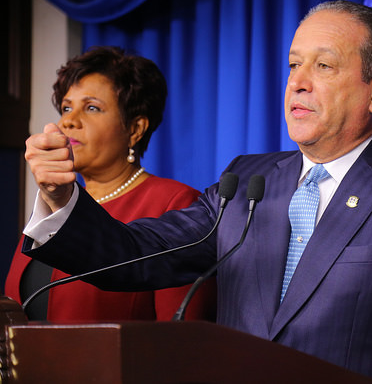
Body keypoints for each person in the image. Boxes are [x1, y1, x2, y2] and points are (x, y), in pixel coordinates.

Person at [20, 1, 372, 382]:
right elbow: (131, 255)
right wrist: (61, 198)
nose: (298, 81)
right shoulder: (245, 181)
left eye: (324, 65)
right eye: (295, 64)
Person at [5, 46, 215, 322]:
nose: (69, 120)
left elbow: (181, 339)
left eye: (92, 108)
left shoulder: (176, 203)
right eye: (66, 107)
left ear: (135, 128)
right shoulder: (52, 208)